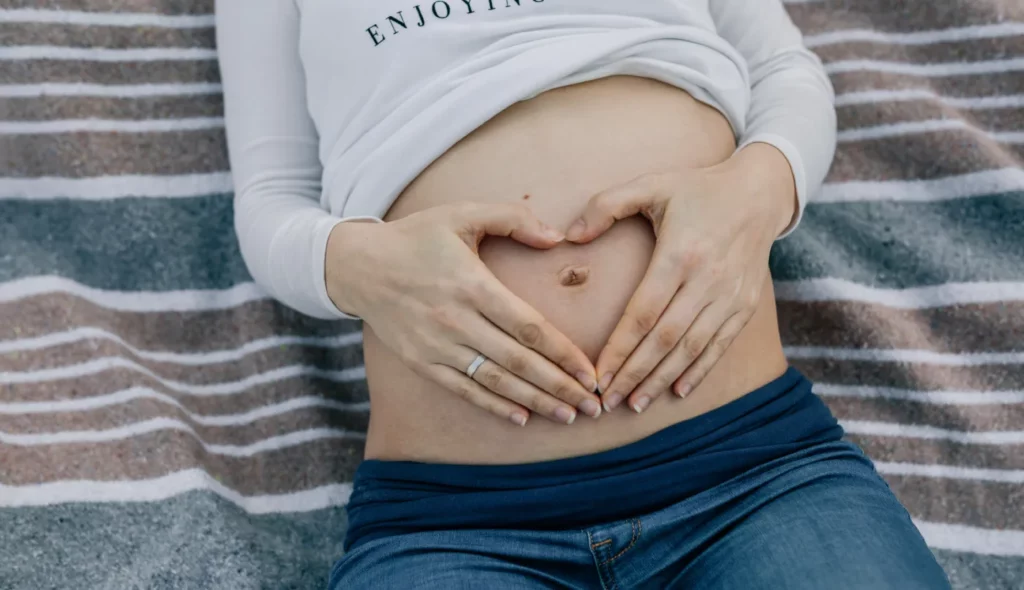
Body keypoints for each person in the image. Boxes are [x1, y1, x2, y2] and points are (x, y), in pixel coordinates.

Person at [215, 1, 952, 587]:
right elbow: (272, 201)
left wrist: (755, 194)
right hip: (454, 523)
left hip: (756, 473)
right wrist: (367, 266)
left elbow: (785, 72)